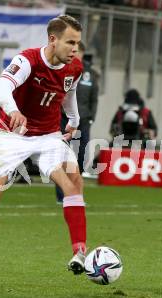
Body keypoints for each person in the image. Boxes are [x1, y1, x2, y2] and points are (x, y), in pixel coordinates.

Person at [0, 15, 87, 287]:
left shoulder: (74, 67)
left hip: (49, 136)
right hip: (11, 136)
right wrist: (14, 110)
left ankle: (80, 253)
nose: (75, 49)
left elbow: (69, 93)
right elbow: (1, 86)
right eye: (70, 42)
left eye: (77, 43)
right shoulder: (27, 60)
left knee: (73, 181)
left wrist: (73, 120)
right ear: (53, 39)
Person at [55, 41, 99, 203]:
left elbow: (94, 99)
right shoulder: (62, 70)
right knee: (63, 157)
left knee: (80, 156)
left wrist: (91, 116)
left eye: (77, 51)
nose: (74, 54)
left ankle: (75, 194)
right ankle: (62, 195)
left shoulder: (91, 74)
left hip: (84, 121)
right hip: (64, 119)